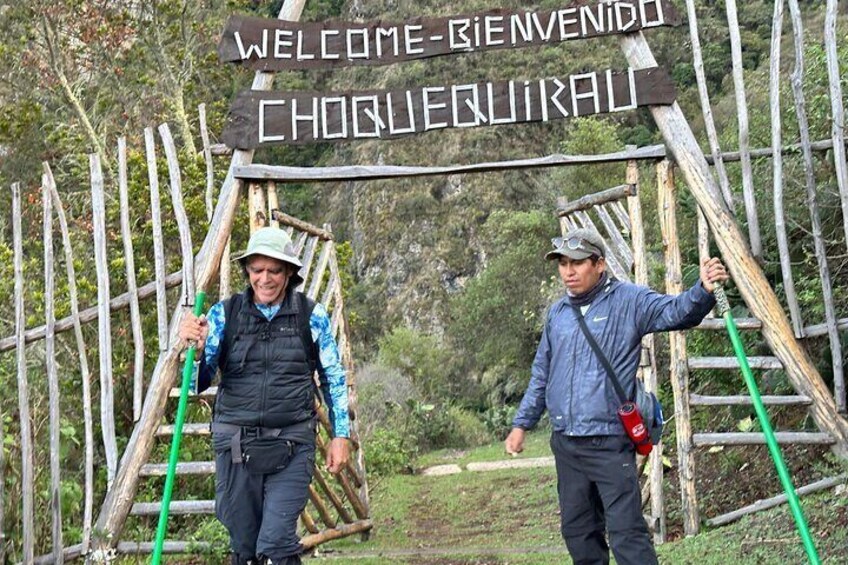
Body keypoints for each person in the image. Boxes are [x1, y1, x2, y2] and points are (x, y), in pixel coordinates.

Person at [504, 228, 728, 565]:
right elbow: (541, 373)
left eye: (577, 263)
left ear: (600, 264)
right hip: (566, 442)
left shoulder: (629, 301)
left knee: (626, 534)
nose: (568, 271)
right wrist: (522, 424)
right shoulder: (558, 314)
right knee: (578, 532)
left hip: (609, 442)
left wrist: (703, 291)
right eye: (563, 263)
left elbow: (677, 311)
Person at [178, 226, 350, 565]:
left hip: (291, 441)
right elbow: (198, 382)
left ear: (289, 273)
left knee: (276, 545)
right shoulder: (223, 315)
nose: (265, 279)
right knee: (244, 547)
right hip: (235, 444)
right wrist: (195, 351)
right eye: (258, 270)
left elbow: (333, 377)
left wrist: (340, 435)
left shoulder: (310, 315)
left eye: (274, 270)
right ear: (247, 272)